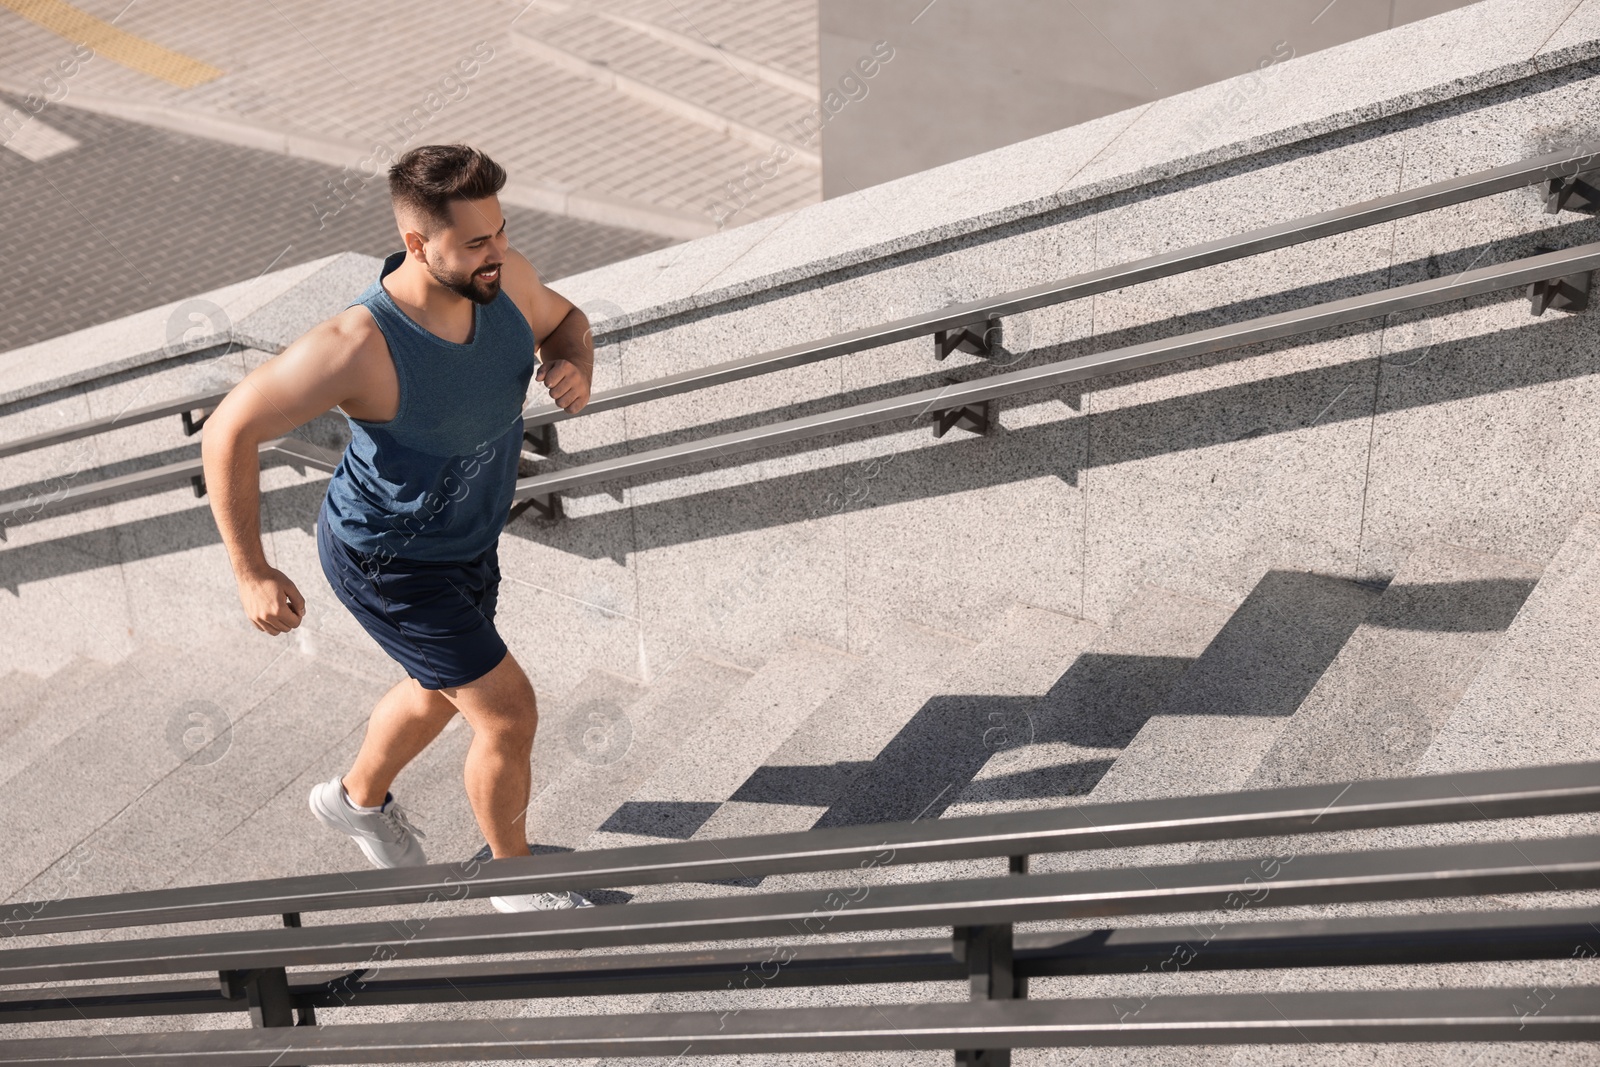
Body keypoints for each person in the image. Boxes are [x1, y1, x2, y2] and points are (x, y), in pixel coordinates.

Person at [200, 144, 595, 912]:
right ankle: (515, 884)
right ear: (418, 244)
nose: (499, 254)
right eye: (476, 241)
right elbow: (227, 430)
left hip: (467, 542)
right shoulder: (359, 344)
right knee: (508, 710)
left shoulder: (506, 282)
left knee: (437, 688)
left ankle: (356, 799)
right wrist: (250, 571)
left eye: (501, 231)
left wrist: (575, 360)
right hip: (388, 558)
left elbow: (567, 321)